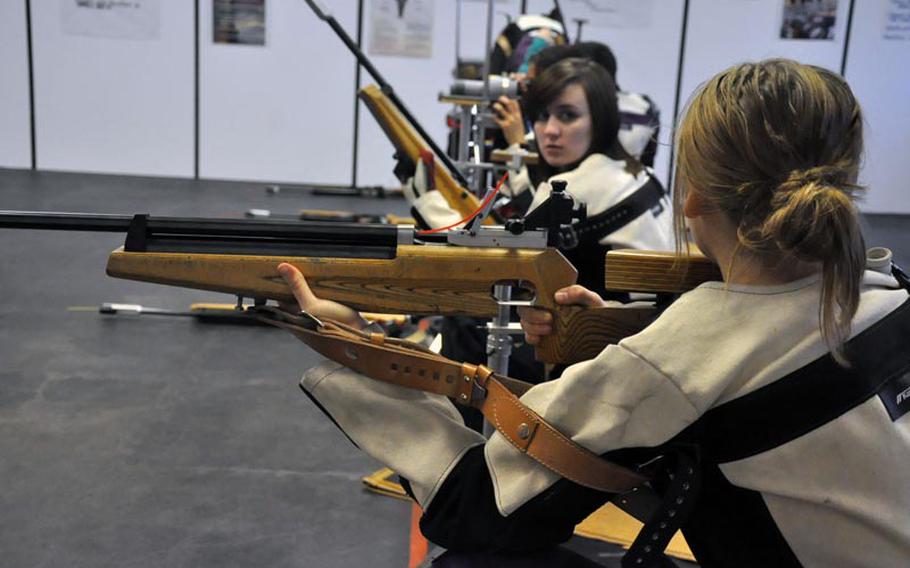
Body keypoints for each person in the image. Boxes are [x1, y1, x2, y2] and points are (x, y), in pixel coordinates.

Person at [281, 58, 910, 566]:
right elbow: (768, 342)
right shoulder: (892, 291)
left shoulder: (682, 359)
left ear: (693, 196)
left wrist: (353, 343)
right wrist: (624, 331)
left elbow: (475, 504)